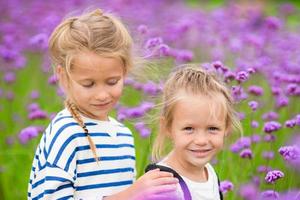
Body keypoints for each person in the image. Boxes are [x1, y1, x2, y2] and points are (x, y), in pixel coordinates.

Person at [28, 9, 178, 200]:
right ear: (63, 76)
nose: (102, 95)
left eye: (112, 82)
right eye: (88, 84)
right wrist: (130, 194)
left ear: (125, 71)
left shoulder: (123, 135)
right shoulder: (66, 133)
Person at [149, 64, 242, 200]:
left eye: (212, 128)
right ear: (167, 127)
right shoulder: (164, 184)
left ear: (226, 128)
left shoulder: (209, 172)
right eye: (189, 129)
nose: (201, 141)